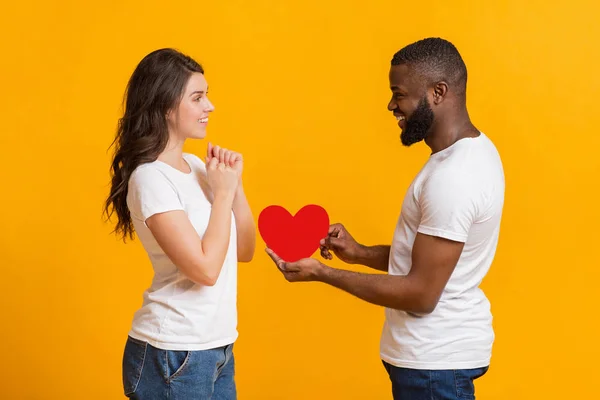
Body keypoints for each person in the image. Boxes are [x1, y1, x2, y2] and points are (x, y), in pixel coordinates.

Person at [266, 37, 505, 399]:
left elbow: (422, 293)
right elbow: (429, 260)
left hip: (434, 366)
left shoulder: (455, 177)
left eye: (399, 93)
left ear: (438, 92)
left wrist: (322, 273)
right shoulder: (467, 155)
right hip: (433, 363)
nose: (392, 105)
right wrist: (358, 252)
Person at [104, 48, 256, 399]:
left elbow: (244, 251)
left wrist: (236, 188)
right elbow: (204, 270)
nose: (210, 107)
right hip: (174, 352)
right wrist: (221, 196)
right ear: (165, 106)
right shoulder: (150, 179)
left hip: (216, 346)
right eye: (198, 97)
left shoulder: (198, 167)